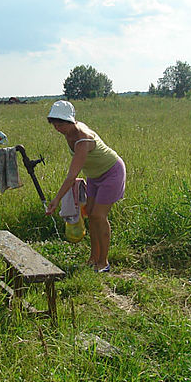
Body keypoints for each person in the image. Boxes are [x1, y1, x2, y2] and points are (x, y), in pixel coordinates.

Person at [44, 100, 126, 272]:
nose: (57, 128)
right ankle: (93, 257)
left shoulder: (82, 139)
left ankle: (103, 263)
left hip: (112, 173)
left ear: (70, 121)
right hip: (95, 176)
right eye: (55, 124)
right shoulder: (69, 132)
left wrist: (56, 199)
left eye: (60, 124)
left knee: (98, 216)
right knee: (89, 212)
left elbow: (72, 175)